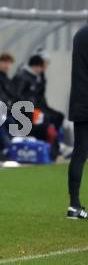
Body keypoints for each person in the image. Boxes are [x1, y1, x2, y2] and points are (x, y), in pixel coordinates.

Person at [67, 25, 88, 219]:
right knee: (81, 153)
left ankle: (74, 204)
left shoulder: (80, 34)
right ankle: (74, 205)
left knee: (80, 153)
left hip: (80, 101)